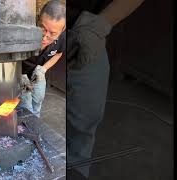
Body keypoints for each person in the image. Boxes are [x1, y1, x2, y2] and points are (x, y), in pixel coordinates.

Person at [67, 0, 145, 179]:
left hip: (86, 30)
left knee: (87, 117)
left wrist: (98, 26)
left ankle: (77, 169)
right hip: (51, 29)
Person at [18, 0, 66, 118]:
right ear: (38, 19)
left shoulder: (63, 38)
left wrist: (43, 69)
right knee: (26, 103)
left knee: (38, 98)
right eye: (43, 28)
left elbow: (58, 54)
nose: (45, 37)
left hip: (38, 72)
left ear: (63, 29)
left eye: (52, 33)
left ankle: (36, 122)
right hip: (20, 73)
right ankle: (26, 124)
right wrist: (17, 75)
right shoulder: (23, 30)